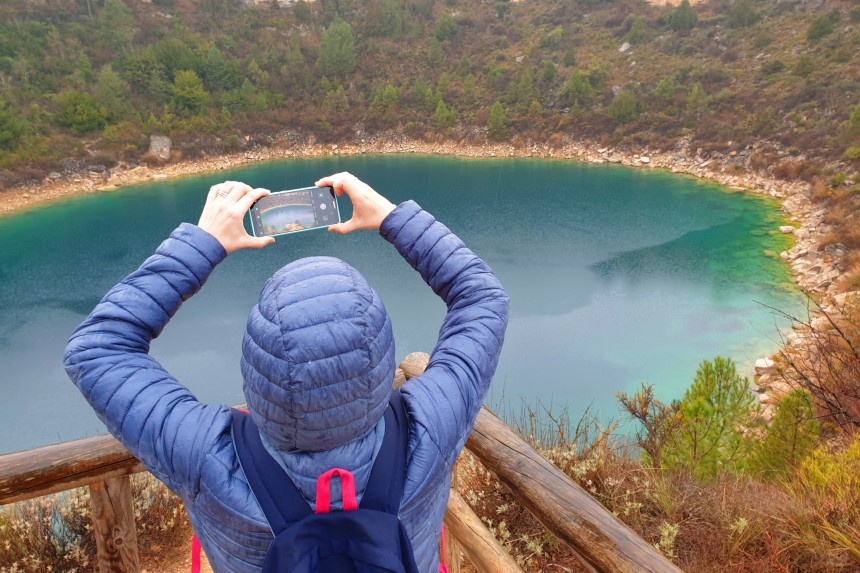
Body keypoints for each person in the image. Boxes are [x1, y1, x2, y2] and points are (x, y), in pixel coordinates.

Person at [64, 172, 509, 573]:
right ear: (379, 350)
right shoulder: (430, 427)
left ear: (256, 361)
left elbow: (97, 350)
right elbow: (482, 299)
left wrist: (204, 242)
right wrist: (392, 218)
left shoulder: (205, 456)